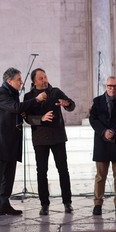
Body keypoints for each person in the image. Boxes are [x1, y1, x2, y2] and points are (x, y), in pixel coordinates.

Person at [23, 68, 75, 216]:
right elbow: (27, 118)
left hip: (57, 137)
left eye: (45, 77)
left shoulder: (56, 92)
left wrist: (66, 104)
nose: (44, 80)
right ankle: (44, 204)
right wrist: (41, 119)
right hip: (40, 138)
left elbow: (71, 105)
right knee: (41, 172)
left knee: (63, 170)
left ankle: (67, 202)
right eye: (41, 78)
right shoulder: (28, 96)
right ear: (34, 81)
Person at [0, 67, 46, 216]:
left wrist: (22, 114)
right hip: (2, 142)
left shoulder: (13, 94)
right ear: (9, 81)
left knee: (9, 177)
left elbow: (16, 111)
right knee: (1, 176)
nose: (21, 82)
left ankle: (4, 205)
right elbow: (14, 108)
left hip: (12, 142)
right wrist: (36, 100)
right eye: (18, 80)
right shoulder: (2, 93)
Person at [89, 76, 116, 216]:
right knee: (100, 176)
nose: (112, 88)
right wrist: (104, 131)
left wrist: (114, 131)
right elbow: (93, 119)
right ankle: (97, 203)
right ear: (105, 86)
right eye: (109, 86)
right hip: (102, 142)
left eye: (115, 86)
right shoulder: (97, 101)